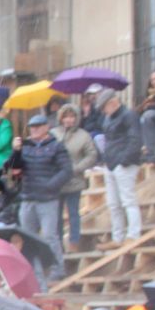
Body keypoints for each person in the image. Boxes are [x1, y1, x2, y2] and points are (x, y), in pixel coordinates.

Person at [11, 114, 72, 281]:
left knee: (50, 236)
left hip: (48, 198)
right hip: (28, 196)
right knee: (28, 238)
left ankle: (57, 268)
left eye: (38, 126)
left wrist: (50, 185)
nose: (34, 129)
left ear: (46, 127)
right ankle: (31, 271)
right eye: (32, 127)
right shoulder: (25, 147)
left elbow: (66, 170)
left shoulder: (56, 146)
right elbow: (14, 168)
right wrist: (16, 151)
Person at [96, 88, 143, 247]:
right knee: (114, 204)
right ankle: (118, 237)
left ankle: (133, 234)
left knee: (128, 200)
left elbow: (135, 139)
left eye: (104, 107)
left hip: (123, 163)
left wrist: (124, 160)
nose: (103, 111)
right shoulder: (108, 119)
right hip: (111, 164)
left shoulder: (129, 115)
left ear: (113, 103)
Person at [51, 103, 99, 246]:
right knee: (56, 215)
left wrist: (77, 168)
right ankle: (58, 243)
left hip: (74, 179)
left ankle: (74, 240)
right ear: (61, 118)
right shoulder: (53, 134)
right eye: (66, 117)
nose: (69, 120)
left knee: (73, 212)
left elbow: (91, 155)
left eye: (72, 117)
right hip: (57, 180)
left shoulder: (83, 136)